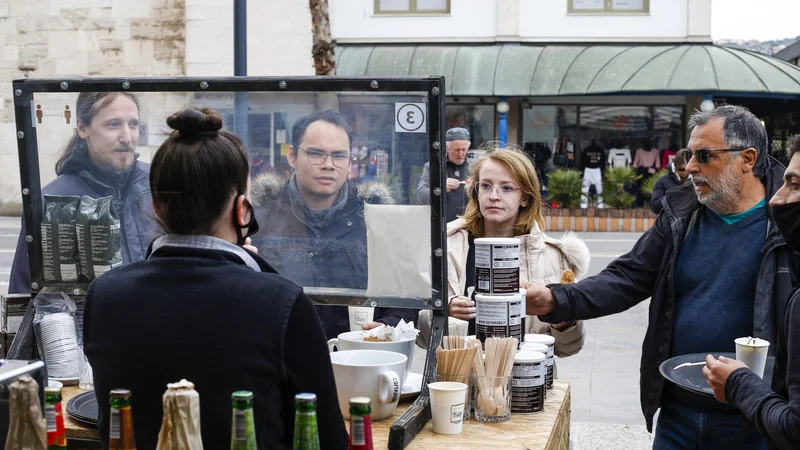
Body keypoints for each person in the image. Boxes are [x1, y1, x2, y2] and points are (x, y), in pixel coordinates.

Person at [523, 105, 794, 449]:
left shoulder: (787, 221)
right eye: (688, 154)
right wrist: (557, 299)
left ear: (748, 158)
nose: (690, 167)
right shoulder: (681, 213)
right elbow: (629, 276)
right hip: (677, 417)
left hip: (757, 421)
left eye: (704, 155)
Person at [84, 107, 348, 450]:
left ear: (157, 208)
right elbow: (327, 437)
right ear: (242, 211)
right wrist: (257, 277)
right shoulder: (281, 303)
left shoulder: (105, 295)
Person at [252, 110, 417, 339]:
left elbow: (405, 303)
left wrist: (386, 326)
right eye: (316, 153)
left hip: (355, 358)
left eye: (339, 156)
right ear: (292, 156)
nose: (328, 165)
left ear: (350, 161)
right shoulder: (260, 220)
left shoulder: (374, 222)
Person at [418, 146, 588, 356]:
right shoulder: (445, 246)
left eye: (507, 188)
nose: (494, 196)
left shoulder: (554, 255)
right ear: (476, 192)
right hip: (458, 381)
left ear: (525, 197)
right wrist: (443, 312)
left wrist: (559, 315)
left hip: (525, 383)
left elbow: (568, 347)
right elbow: (421, 337)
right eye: (486, 186)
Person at [9, 92, 163, 293]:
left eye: (133, 124)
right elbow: (24, 293)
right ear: (82, 128)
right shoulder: (51, 202)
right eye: (113, 124)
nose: (127, 137)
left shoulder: (159, 185)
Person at [703, 135, 800, 449]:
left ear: (747, 159)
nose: (777, 198)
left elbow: (793, 429)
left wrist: (739, 383)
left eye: (795, 184)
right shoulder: (680, 213)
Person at [416, 127, 471, 222]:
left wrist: (476, 188)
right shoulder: (433, 167)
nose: (461, 154)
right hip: (442, 227)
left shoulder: (475, 166)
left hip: (469, 224)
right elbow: (420, 195)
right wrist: (441, 188)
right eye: (457, 150)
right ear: (447, 148)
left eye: (464, 150)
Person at [650, 149, 689, 214]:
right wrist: (673, 196)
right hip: (670, 222)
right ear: (675, 167)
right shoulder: (663, 180)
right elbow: (655, 207)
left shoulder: (697, 180)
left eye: (687, 169)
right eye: (681, 169)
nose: (685, 172)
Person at [580, 139, 605, 208]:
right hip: (593, 169)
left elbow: (582, 161)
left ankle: (583, 206)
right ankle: (600, 205)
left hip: (591, 169)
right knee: (598, 189)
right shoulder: (600, 150)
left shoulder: (587, 149)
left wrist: (582, 170)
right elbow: (603, 161)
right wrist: (602, 170)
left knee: (585, 189)